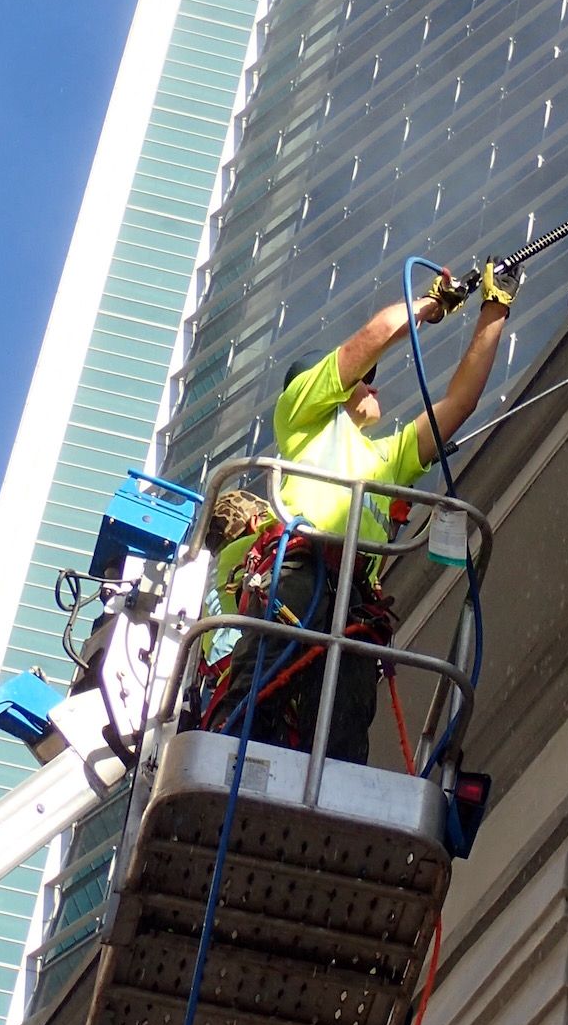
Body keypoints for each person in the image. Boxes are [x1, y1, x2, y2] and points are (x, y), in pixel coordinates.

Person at [199, 259, 517, 763]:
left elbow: (458, 405)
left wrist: (494, 310)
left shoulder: (384, 461)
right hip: (299, 567)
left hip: (354, 600)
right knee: (264, 680)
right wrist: (431, 304)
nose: (373, 387)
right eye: (363, 382)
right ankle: (225, 759)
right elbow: (372, 337)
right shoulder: (301, 416)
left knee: (344, 723)